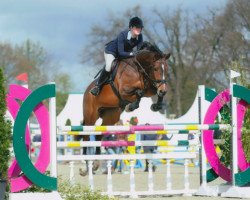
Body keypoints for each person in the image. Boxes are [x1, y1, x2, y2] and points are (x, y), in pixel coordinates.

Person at [90, 16, 144, 96]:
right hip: (112, 52)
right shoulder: (122, 35)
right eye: (137, 27)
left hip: (126, 52)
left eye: (140, 28)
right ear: (131, 28)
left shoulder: (140, 37)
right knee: (108, 67)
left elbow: (139, 52)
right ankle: (97, 86)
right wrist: (133, 54)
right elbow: (121, 53)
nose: (139, 29)